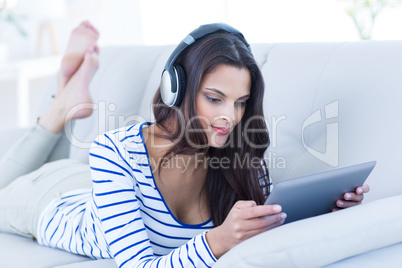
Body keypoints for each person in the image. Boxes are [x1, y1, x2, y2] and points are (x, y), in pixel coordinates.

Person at [0, 21, 370, 267]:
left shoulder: (237, 156)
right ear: (174, 89)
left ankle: (65, 97)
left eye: (240, 103)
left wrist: (327, 207)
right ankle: (61, 104)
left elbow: (268, 218)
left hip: (97, 189)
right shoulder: (112, 151)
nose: (230, 116)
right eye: (214, 98)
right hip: (48, 203)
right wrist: (218, 240)